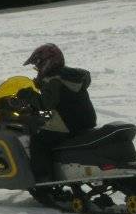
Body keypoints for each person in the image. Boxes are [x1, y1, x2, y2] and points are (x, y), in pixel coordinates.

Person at [20, 43, 97, 180]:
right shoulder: (70, 75)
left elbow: (47, 103)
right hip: (85, 120)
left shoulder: (54, 79)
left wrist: (29, 95)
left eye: (38, 65)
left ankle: (44, 179)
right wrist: (41, 84)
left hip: (68, 123)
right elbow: (62, 96)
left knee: (38, 141)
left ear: (47, 62)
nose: (37, 69)